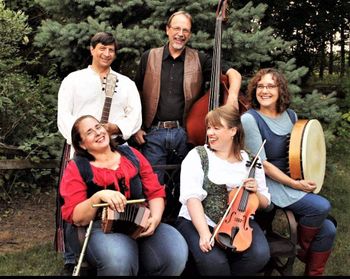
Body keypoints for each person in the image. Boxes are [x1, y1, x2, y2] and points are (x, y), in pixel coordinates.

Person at [133, 11, 242, 219]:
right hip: (153, 133)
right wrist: (137, 126)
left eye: (185, 30)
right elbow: (134, 92)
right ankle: (153, 229)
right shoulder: (149, 57)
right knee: (152, 186)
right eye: (176, 28)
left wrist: (233, 97)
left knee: (185, 187)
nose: (180, 34)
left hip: (185, 134)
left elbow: (233, 74)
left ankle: (180, 231)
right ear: (167, 30)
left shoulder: (200, 59)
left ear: (189, 34)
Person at [56, 31, 142, 274]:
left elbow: (134, 116)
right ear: (92, 49)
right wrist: (81, 141)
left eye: (111, 50)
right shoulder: (73, 80)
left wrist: (116, 128)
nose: (107, 54)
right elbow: (64, 115)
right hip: (81, 148)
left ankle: (118, 240)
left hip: (116, 150)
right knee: (74, 199)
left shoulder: (125, 83)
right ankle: (72, 257)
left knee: (119, 197)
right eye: (102, 48)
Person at [59, 115, 188, 276]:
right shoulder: (77, 167)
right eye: (90, 132)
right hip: (101, 228)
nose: (98, 133)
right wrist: (97, 196)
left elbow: (155, 192)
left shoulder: (131, 154)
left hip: (139, 219)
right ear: (82, 144)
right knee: (119, 261)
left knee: (174, 253)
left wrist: (154, 219)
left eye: (98, 127)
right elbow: (76, 216)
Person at [241, 68, 337, 276]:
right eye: (260, 86)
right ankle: (303, 250)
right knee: (321, 206)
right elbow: (262, 164)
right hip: (268, 181)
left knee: (328, 229)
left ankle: (311, 267)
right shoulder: (250, 119)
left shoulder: (291, 116)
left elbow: (301, 152)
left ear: (280, 90)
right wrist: (295, 185)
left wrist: (305, 175)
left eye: (270, 86)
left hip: (291, 177)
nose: (264, 91)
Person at [175, 105, 271, 276]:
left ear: (233, 130)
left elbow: (265, 202)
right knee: (215, 263)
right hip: (198, 220)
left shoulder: (250, 160)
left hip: (240, 223)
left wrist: (255, 192)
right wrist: (204, 233)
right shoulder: (198, 155)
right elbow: (192, 198)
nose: (210, 133)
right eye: (209, 127)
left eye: (216, 128)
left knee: (259, 255)